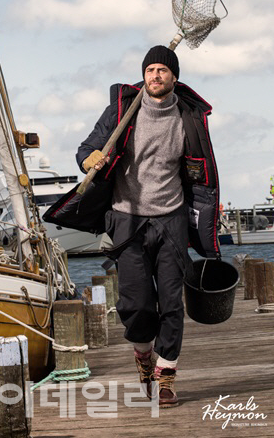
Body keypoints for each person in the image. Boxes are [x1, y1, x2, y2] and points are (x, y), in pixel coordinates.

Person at [75, 45, 220, 408]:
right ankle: (143, 355)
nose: (155, 76)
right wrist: (89, 159)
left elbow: (204, 172)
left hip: (171, 219)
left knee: (171, 303)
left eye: (163, 70)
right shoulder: (122, 112)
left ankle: (166, 374)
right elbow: (86, 149)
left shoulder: (189, 117)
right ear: (144, 75)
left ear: (174, 77)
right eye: (150, 70)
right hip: (127, 219)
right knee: (136, 304)